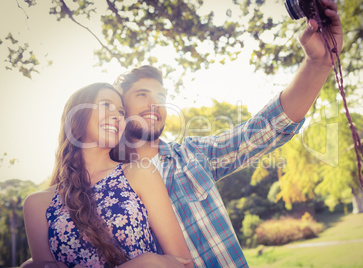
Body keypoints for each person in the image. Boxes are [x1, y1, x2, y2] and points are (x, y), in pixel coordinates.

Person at [23, 0, 342, 267]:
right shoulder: (95, 186)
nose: (154, 105)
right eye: (142, 95)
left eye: (160, 97)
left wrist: (318, 63)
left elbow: (265, 128)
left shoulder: (194, 156)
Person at [22, 83, 193, 268]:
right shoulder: (37, 204)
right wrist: (146, 262)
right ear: (77, 116)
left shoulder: (141, 173)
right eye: (106, 105)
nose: (117, 116)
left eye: (121, 112)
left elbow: (183, 264)